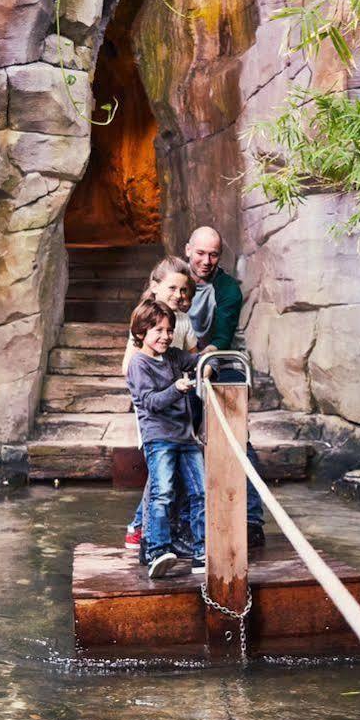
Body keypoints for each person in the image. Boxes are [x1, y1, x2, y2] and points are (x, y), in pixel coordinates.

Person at [182, 225, 265, 547]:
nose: (206, 260)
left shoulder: (228, 288)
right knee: (177, 436)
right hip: (182, 362)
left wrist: (201, 362)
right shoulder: (174, 277)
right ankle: (184, 521)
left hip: (222, 362)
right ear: (188, 249)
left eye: (213, 254)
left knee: (237, 439)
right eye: (200, 253)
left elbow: (220, 339)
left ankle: (252, 519)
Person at [125, 297, 205, 579]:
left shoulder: (173, 356)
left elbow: (197, 360)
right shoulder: (139, 364)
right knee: (162, 493)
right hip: (159, 438)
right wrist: (178, 388)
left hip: (186, 438)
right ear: (141, 332)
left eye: (169, 330)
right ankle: (157, 551)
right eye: (158, 330)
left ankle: (201, 551)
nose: (166, 336)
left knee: (200, 492)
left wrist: (209, 362)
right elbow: (150, 402)